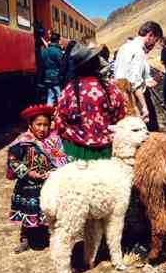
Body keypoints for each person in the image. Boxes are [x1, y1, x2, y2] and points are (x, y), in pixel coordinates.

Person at [7, 104, 67, 253]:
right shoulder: (23, 142)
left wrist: (54, 172)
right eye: (38, 124)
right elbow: (13, 161)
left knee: (50, 211)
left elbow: (62, 159)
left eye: (46, 125)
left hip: (49, 184)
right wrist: (29, 173)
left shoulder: (54, 141)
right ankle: (25, 239)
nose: (42, 128)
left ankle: (50, 237)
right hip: (28, 186)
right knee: (29, 211)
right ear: (30, 124)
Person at [55, 43, 126, 161]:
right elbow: (120, 117)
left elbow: (59, 121)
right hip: (107, 151)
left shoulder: (69, 91)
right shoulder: (110, 88)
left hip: (76, 151)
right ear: (96, 64)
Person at [114, 21, 163, 126]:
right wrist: (144, 107)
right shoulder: (138, 51)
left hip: (121, 96)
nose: (154, 43)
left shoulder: (124, 47)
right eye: (156, 39)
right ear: (150, 35)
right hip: (132, 100)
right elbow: (135, 83)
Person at [41, 33, 63, 106]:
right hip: (56, 77)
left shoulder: (44, 51)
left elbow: (42, 64)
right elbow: (61, 64)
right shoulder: (57, 51)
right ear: (57, 40)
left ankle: (49, 111)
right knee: (59, 96)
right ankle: (60, 112)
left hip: (47, 76)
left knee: (50, 96)